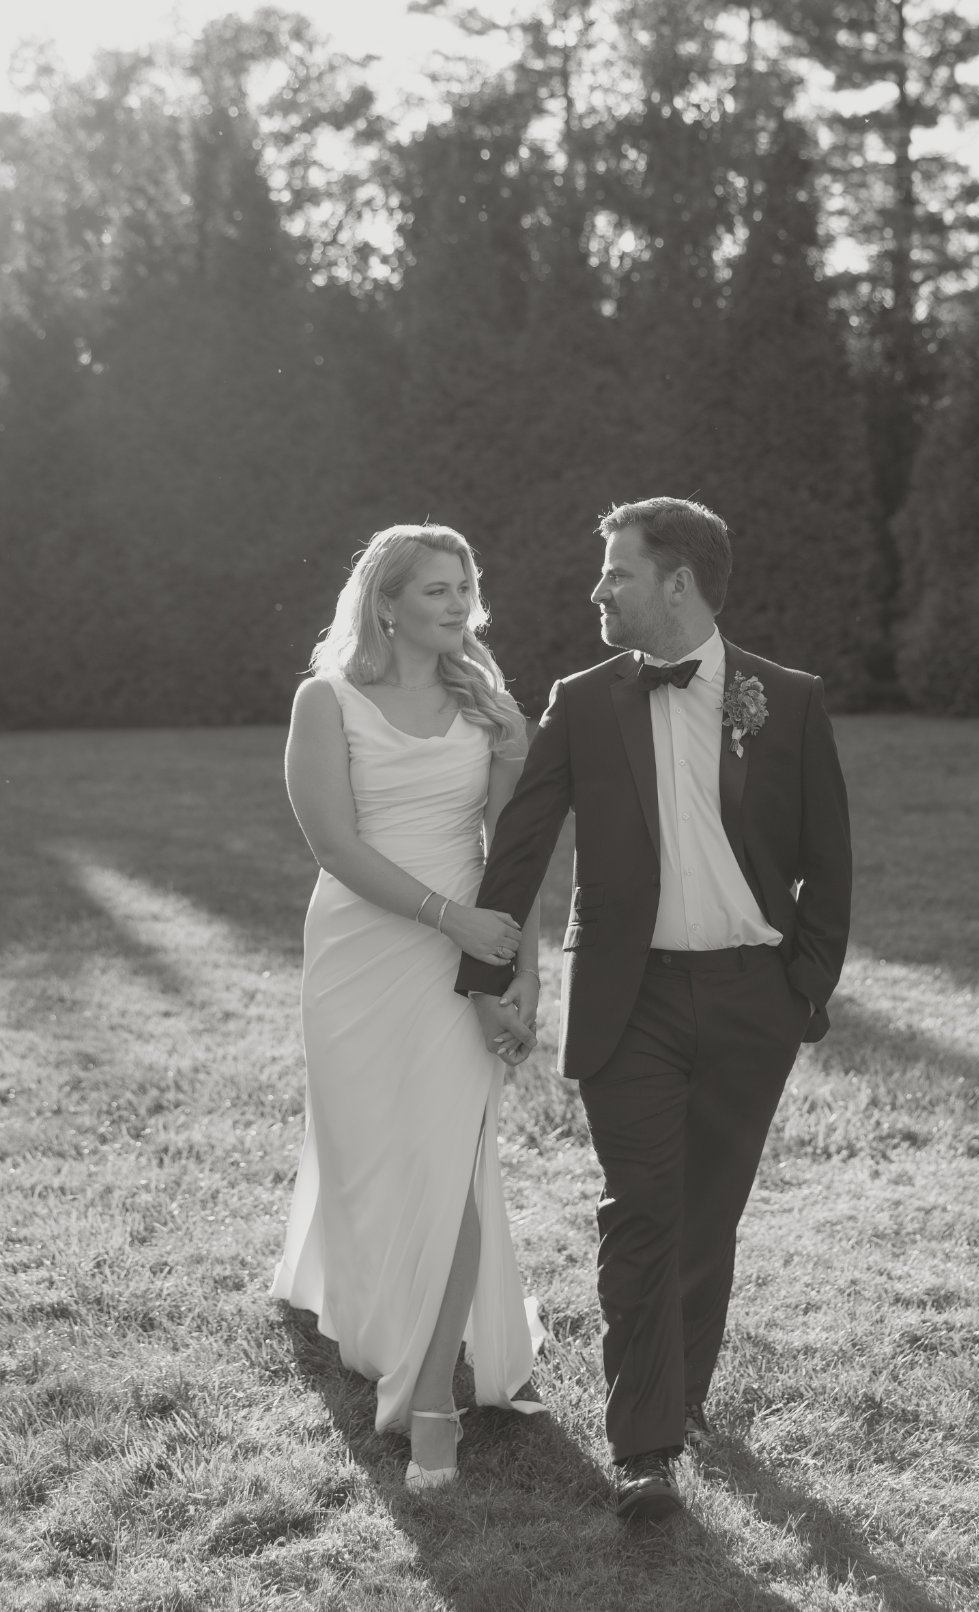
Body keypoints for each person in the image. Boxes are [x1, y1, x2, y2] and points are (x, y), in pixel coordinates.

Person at [456, 496, 852, 1521]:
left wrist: (801, 989)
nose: (598, 589)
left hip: (750, 997)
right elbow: (526, 840)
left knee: (705, 1216)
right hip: (627, 997)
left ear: (676, 582)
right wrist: (489, 970)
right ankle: (645, 1447)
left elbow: (829, 863)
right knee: (642, 1208)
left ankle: (683, 1391)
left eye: (616, 573)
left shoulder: (788, 698)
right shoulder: (581, 700)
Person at [271, 523, 544, 1492]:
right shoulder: (326, 700)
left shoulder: (489, 707)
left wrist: (519, 965)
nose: (457, 600)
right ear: (384, 601)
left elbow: (513, 850)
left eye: (465, 583)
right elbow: (334, 845)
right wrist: (451, 918)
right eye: (435, 587)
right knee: (372, 1154)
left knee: (455, 1159)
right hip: (359, 954)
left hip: (463, 959)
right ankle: (367, 1300)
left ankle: (430, 1391)